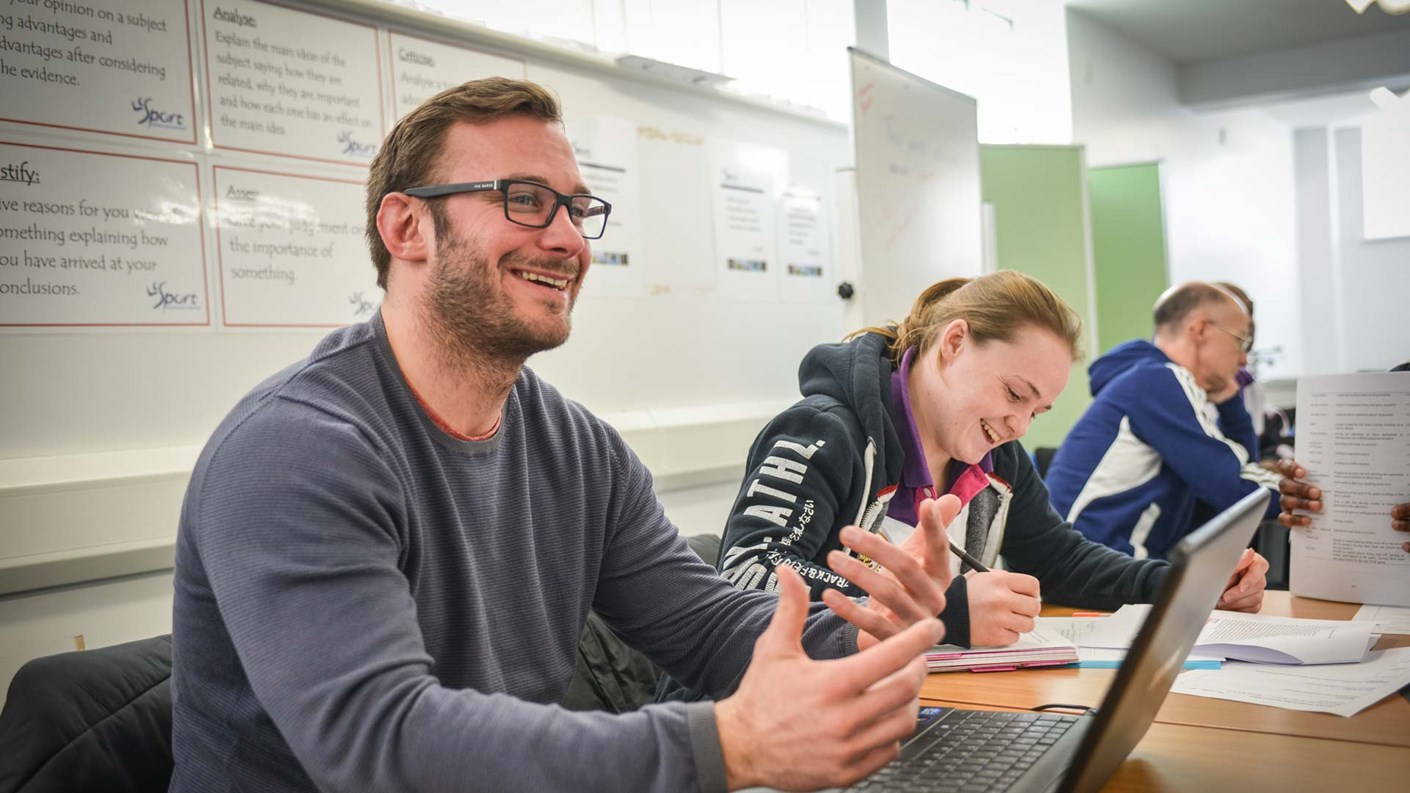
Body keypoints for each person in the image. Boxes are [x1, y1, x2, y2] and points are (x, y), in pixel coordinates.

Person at [168, 77, 959, 793]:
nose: (570, 241)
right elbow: (380, 738)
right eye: (523, 199)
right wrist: (726, 743)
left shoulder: (579, 450)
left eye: (577, 209)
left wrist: (868, 635)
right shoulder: (297, 449)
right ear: (407, 226)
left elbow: (709, 624)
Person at [704, 272, 1270, 654]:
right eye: (1014, 393)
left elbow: (1062, 562)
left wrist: (1189, 585)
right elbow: (749, 577)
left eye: (1038, 411)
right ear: (954, 344)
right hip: (757, 721)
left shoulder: (997, 455)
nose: (1020, 424)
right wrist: (941, 612)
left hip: (894, 701)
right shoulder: (824, 432)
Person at [1045, 282, 1320, 561]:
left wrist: (1228, 400)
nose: (1242, 358)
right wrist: (1307, 497)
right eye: (1240, 340)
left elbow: (1234, 476)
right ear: (1200, 330)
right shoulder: (1160, 380)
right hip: (1088, 567)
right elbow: (1231, 489)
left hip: (1098, 561)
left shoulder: (1152, 379)